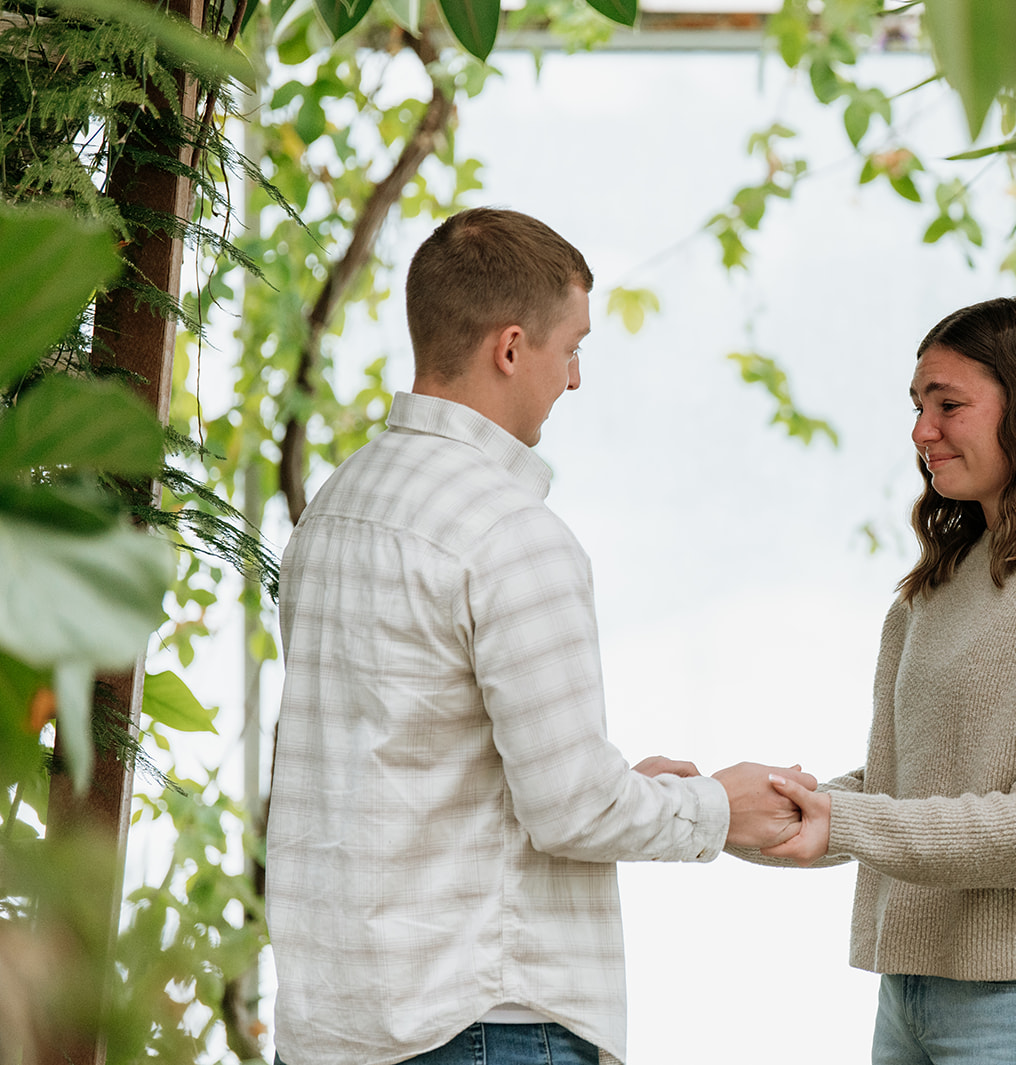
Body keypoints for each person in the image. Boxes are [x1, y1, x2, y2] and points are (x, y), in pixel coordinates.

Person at [266, 207, 811, 1065]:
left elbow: (410, 761)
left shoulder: (337, 508)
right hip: (481, 1022)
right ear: (512, 348)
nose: (577, 377)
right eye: (573, 347)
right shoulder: (509, 534)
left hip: (335, 1026)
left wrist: (605, 780)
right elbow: (573, 810)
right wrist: (721, 808)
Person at [757, 296, 1016, 1065]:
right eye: (919, 406)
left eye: (949, 404)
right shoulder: (937, 585)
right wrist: (748, 811)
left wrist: (842, 823)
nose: (922, 432)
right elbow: (898, 785)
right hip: (912, 991)